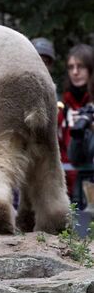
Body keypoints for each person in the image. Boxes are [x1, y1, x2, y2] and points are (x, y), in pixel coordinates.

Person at [59, 44, 94, 196]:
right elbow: (59, 148)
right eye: (71, 67)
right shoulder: (63, 106)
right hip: (69, 184)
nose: (75, 72)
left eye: (80, 66)